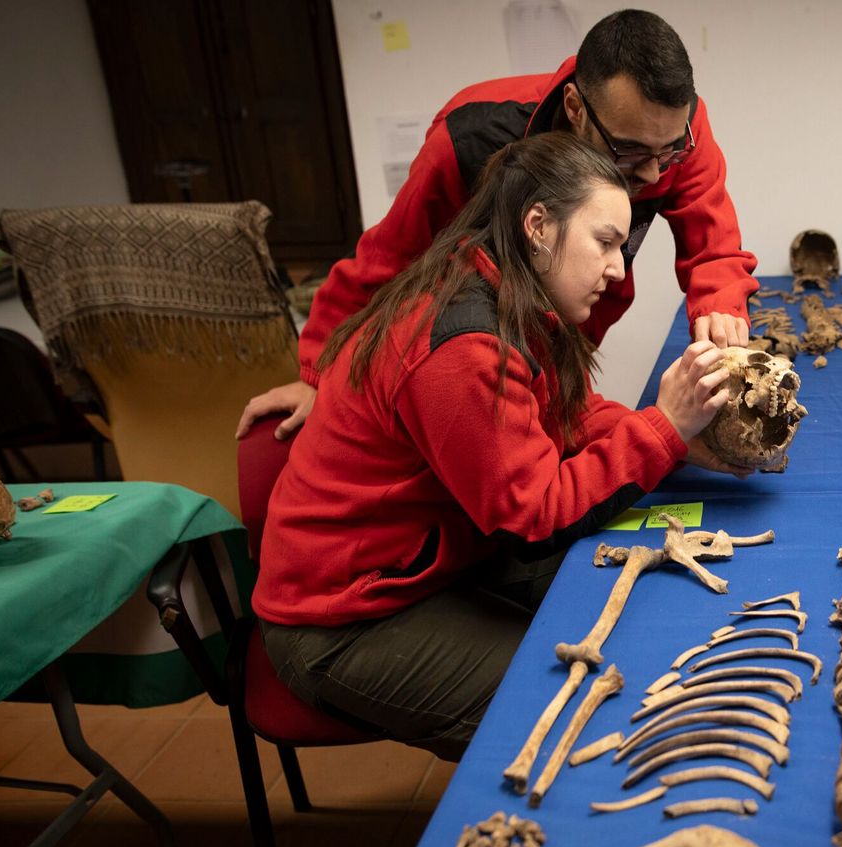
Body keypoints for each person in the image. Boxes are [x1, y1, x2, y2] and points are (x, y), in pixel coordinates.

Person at [251, 131, 730, 760]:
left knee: (645, 596)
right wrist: (661, 430)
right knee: (579, 704)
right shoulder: (461, 346)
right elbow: (532, 516)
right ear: (537, 226)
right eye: (605, 243)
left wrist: (679, 440)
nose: (618, 269)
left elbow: (563, 416)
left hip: (431, 559)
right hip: (341, 619)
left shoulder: (502, 289)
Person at [238, 9, 755, 475]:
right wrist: (314, 371)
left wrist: (720, 305)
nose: (651, 170)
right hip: (488, 346)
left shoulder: (670, 131)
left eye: (669, 151)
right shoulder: (470, 137)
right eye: (629, 150)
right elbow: (385, 260)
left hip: (564, 339)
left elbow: (712, 241)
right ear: (574, 108)